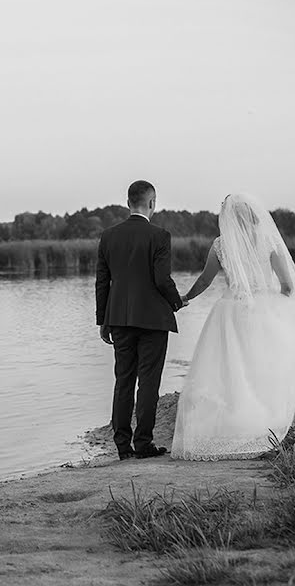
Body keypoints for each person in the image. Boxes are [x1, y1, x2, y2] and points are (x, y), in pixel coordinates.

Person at [171, 193, 295, 460]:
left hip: (230, 311)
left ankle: (236, 421)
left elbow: (205, 280)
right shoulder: (268, 241)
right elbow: (288, 286)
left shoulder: (221, 246)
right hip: (264, 310)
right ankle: (269, 419)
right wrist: (276, 305)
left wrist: (185, 298)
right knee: (264, 365)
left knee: (232, 368)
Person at [96, 180, 186, 460]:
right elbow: (161, 279)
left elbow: (102, 281)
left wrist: (103, 320)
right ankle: (143, 443)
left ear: (127, 203)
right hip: (153, 320)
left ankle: (122, 446)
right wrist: (176, 301)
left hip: (119, 319)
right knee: (148, 382)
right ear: (152, 203)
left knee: (123, 381)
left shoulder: (108, 236)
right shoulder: (160, 236)